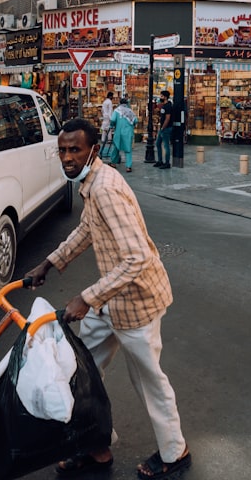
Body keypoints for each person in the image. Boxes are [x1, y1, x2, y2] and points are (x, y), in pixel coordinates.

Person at [24, 119, 191, 480]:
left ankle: (175, 452)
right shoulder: (92, 183)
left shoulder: (106, 189)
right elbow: (87, 229)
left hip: (136, 303)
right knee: (83, 373)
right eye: (63, 150)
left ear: (93, 150)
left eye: (75, 150)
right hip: (110, 300)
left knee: (148, 381)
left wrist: (86, 297)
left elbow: (137, 258)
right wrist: (50, 263)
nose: (67, 157)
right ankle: (96, 445)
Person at [108, 96, 138, 173]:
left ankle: (113, 163)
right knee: (128, 150)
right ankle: (128, 166)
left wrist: (112, 125)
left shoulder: (117, 111)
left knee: (116, 148)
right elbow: (135, 121)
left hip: (119, 132)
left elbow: (113, 119)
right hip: (128, 133)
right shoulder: (130, 111)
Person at [153, 90, 173, 170]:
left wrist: (163, 127)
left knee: (166, 145)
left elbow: (167, 118)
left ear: (165, 97)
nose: (160, 97)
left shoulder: (168, 106)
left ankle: (167, 162)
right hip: (163, 128)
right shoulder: (163, 106)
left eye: (161, 96)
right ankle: (160, 160)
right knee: (158, 144)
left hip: (166, 128)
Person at [100, 91, 114, 159]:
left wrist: (103, 115)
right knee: (109, 128)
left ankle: (103, 139)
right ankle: (109, 139)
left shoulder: (105, 102)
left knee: (104, 128)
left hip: (105, 116)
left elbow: (102, 110)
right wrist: (111, 118)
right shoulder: (110, 102)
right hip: (108, 117)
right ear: (110, 96)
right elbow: (110, 111)